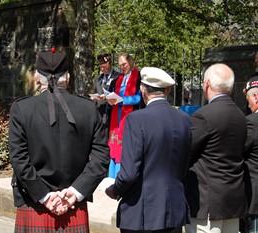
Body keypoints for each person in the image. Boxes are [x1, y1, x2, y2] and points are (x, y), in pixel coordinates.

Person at [8, 49, 110, 233]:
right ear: (68, 77)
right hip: (72, 206)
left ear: (37, 78)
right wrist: (75, 193)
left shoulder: (21, 109)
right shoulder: (88, 109)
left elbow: (18, 159)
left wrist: (44, 196)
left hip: (34, 204)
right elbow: (101, 159)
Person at [105, 67, 192, 233]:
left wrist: (114, 190)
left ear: (142, 89)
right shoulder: (184, 120)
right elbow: (184, 166)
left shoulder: (136, 119)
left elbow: (129, 172)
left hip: (142, 212)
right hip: (173, 210)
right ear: (167, 90)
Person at [184, 63, 247, 233]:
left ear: (207, 84)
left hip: (207, 203)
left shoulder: (204, 115)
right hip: (232, 201)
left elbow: (186, 152)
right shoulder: (241, 115)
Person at [107, 53, 145, 178]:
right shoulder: (118, 79)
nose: (122, 67)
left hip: (129, 116)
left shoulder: (139, 77)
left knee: (125, 146)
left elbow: (140, 98)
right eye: (120, 65)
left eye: (124, 64)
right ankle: (112, 176)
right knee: (114, 145)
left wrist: (123, 100)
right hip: (116, 116)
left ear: (131, 61)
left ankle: (121, 175)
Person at [241, 75, 258, 233]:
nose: (248, 104)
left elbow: (239, 153)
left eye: (248, 100)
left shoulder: (251, 122)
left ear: (256, 97)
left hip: (255, 199)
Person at [91, 53, 120, 128]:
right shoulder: (98, 79)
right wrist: (93, 98)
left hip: (112, 113)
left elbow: (119, 94)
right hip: (99, 114)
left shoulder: (118, 77)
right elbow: (94, 92)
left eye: (104, 66)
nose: (102, 69)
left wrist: (108, 96)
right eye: (100, 67)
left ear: (110, 64)